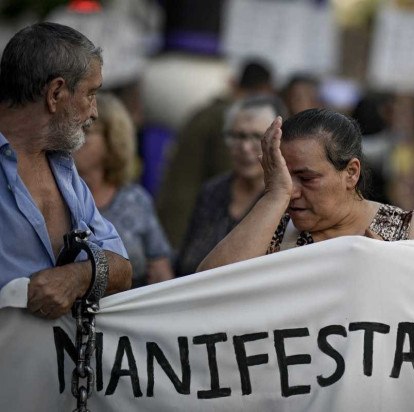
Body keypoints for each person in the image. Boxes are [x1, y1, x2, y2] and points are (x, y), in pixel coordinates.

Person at [198, 108, 414, 271]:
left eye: (307, 178)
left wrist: (394, 271)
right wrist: (274, 195)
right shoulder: (273, 231)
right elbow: (204, 289)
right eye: (284, 176)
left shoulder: (410, 231)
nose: (291, 191)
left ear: (351, 173)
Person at [0, 22, 131, 318]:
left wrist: (78, 277)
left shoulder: (63, 169)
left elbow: (122, 267)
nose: (95, 111)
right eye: (91, 93)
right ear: (56, 93)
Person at [156, 59, 275, 249]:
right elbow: (231, 172)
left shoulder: (208, 111)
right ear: (265, 88)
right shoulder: (231, 118)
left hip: (176, 206)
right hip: (188, 216)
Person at [176, 95, 287, 275]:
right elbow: (186, 258)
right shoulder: (212, 191)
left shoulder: (285, 199)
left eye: (257, 137)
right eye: (238, 136)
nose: (245, 147)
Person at [74, 93, 173, 287]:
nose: (75, 140)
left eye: (86, 131)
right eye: (73, 130)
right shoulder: (56, 196)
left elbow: (162, 270)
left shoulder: (135, 200)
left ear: (112, 140)